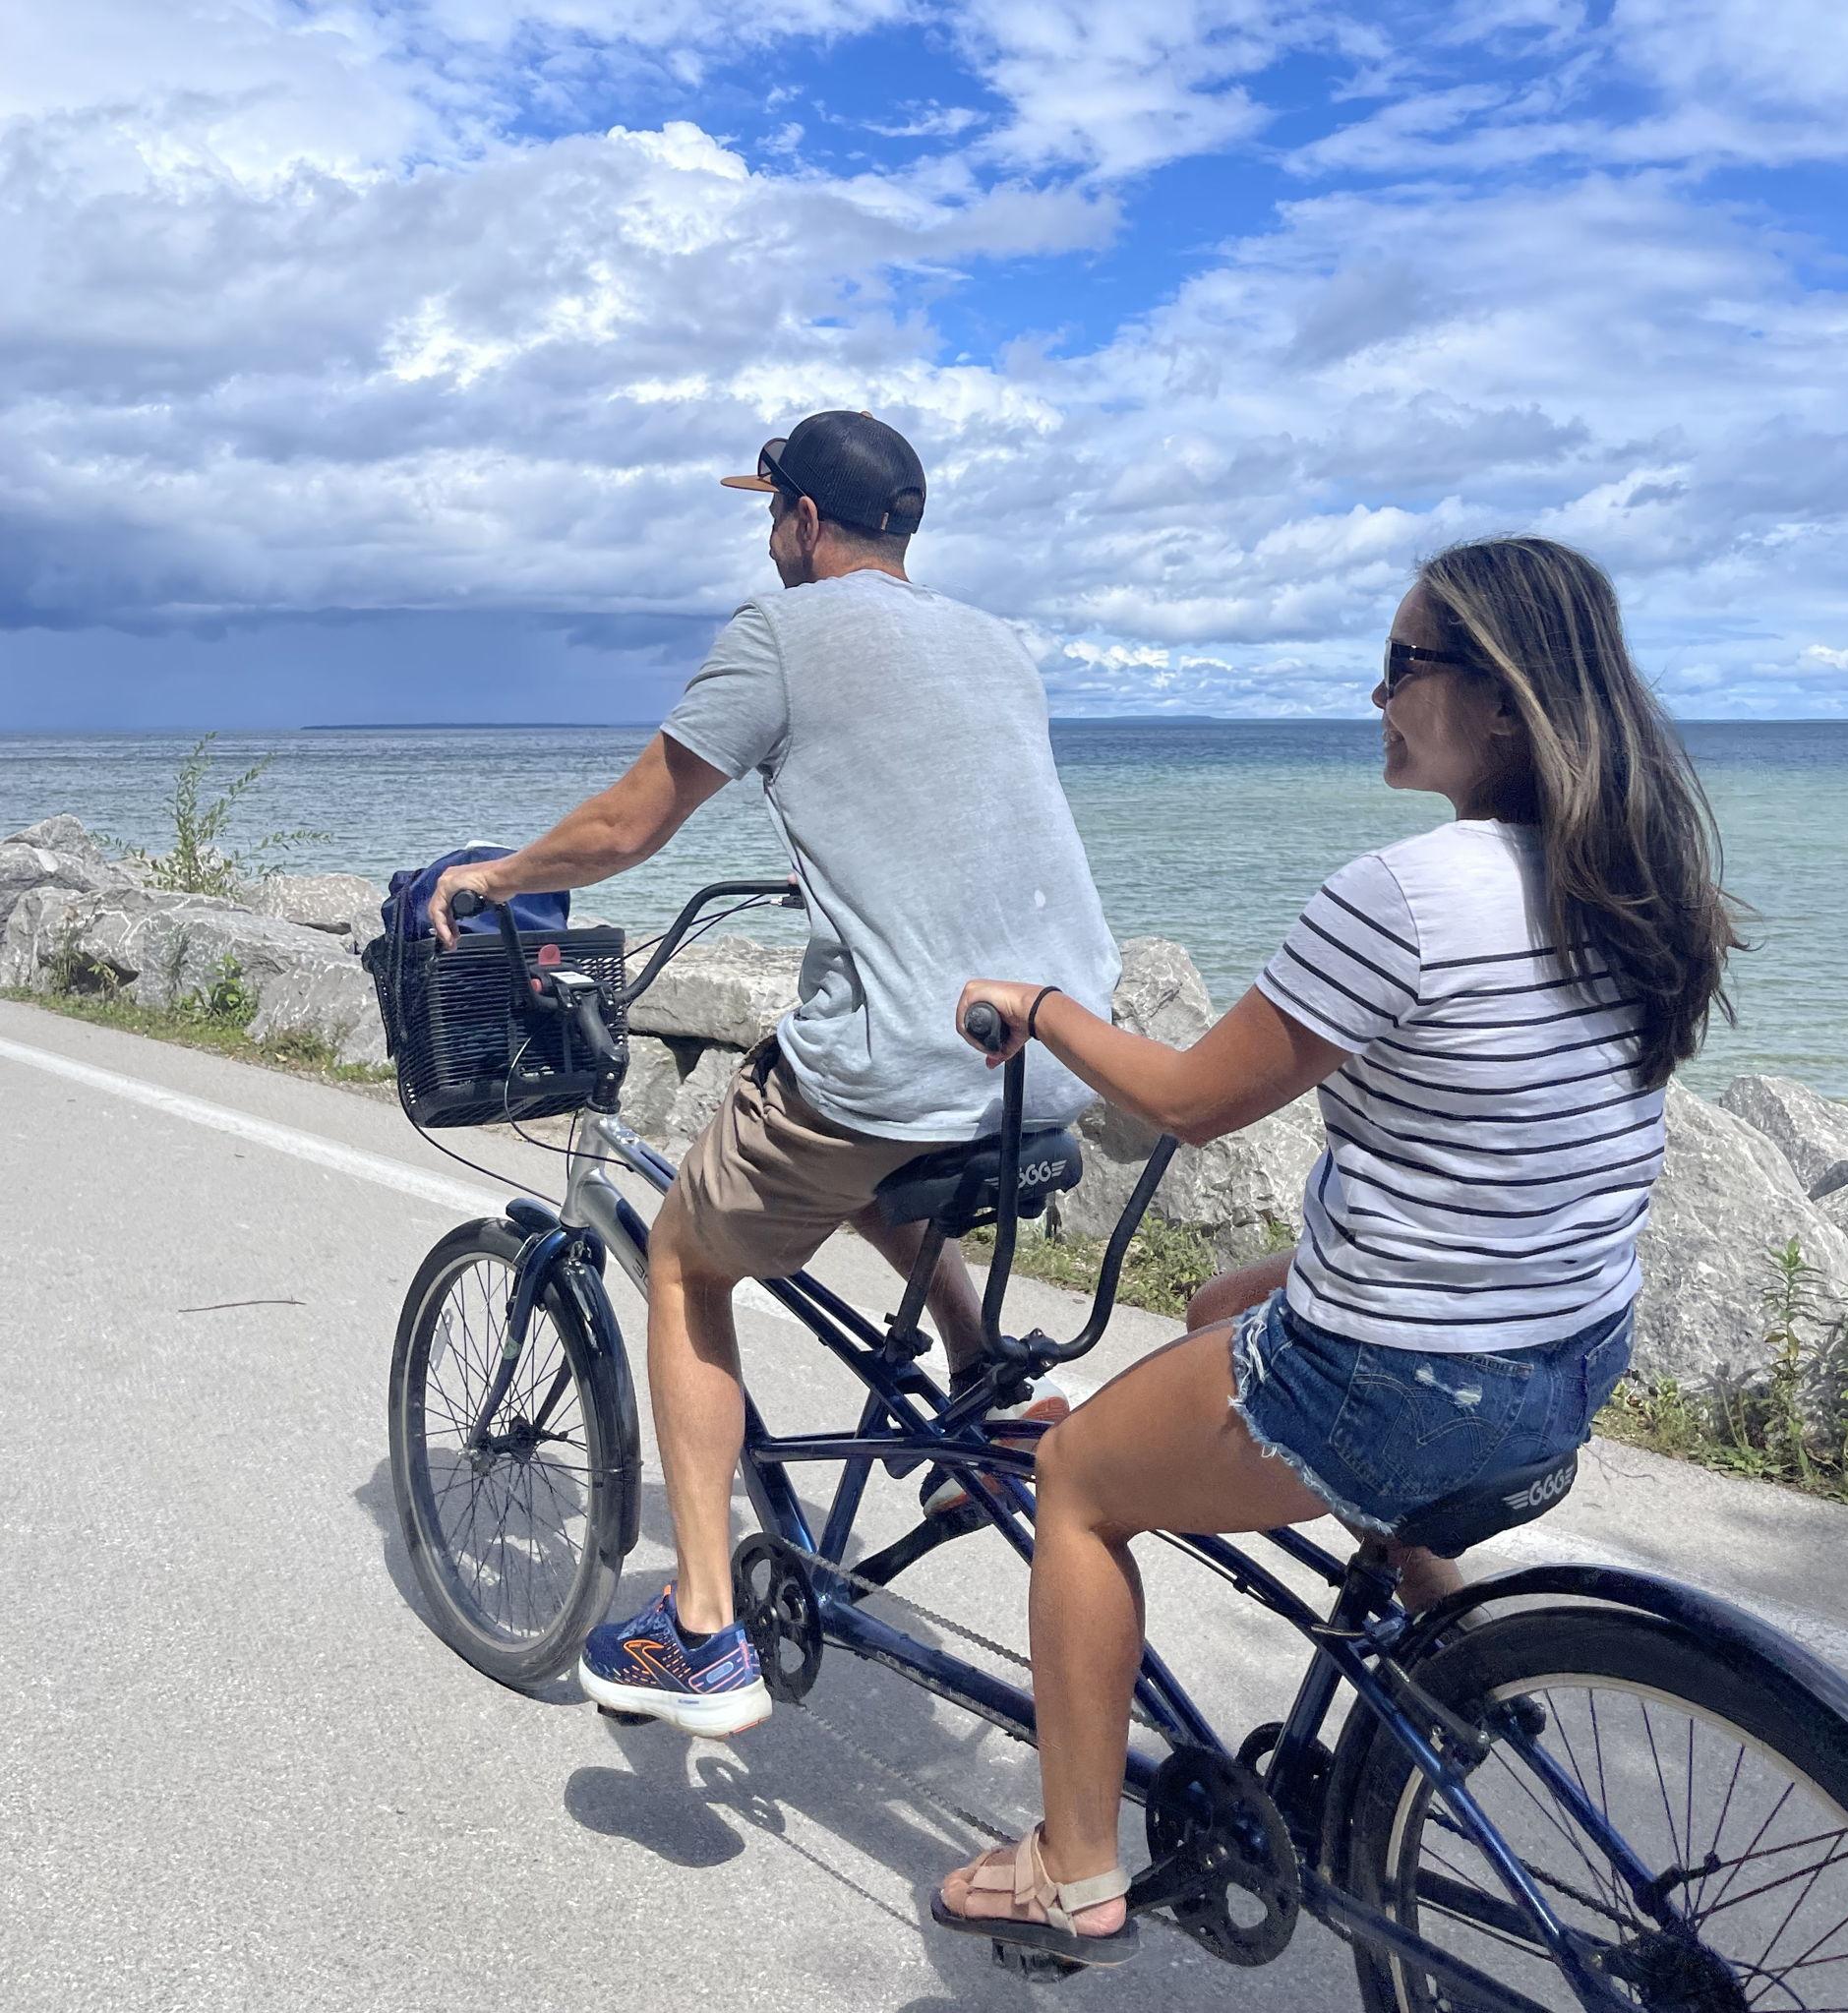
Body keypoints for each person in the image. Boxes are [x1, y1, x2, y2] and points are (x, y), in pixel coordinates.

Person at [934, 535, 1745, 1965]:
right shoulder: (1636, 879)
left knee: (1072, 1482)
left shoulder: (1409, 894)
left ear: (1501, 701)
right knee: (1225, 1299)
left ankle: (1072, 1865)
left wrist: (1044, 1006)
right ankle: (1446, 1640)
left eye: (1402, 666)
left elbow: (1188, 1098)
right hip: (1562, 1357)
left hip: (1408, 1378)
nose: (1377, 697)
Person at [427, 411, 1119, 1737]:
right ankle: (987, 1388)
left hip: (907, 1065)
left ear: (804, 522)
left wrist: (501, 875)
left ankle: (697, 1631)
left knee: (689, 1255)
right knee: (840, 1118)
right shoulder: (998, 642)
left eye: (771, 514)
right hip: (1049, 1052)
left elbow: (633, 821)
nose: (766, 536)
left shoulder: (780, 632)